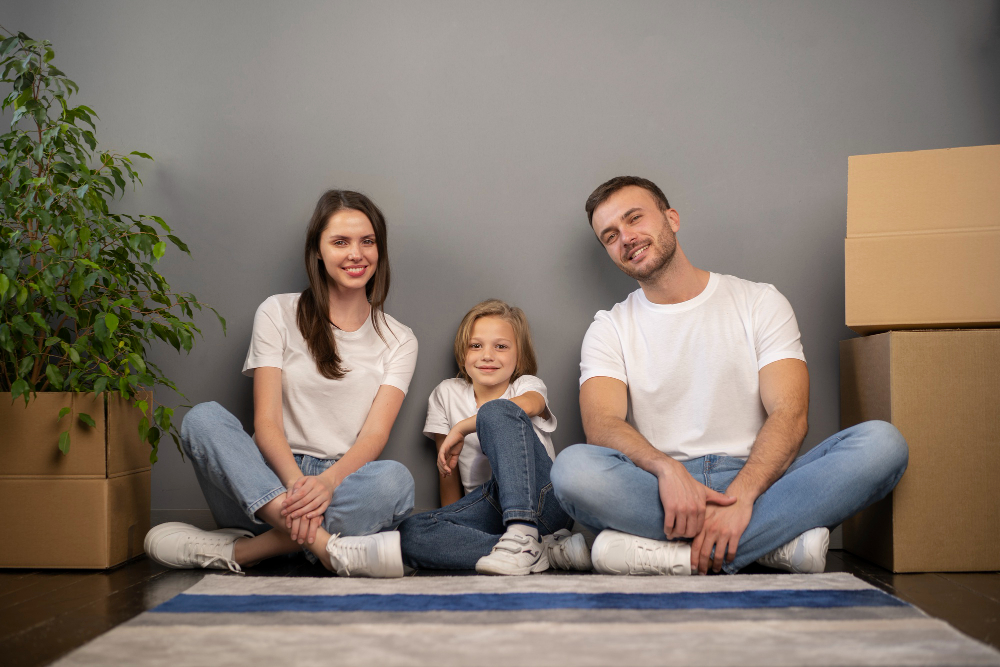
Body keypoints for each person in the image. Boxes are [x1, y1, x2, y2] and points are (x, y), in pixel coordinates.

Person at [550, 176, 908, 576]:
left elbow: (790, 413)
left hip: (763, 480)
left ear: (672, 218)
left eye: (635, 218)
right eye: (611, 235)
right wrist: (667, 470)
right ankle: (769, 546)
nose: (627, 238)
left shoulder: (759, 302)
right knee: (572, 470)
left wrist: (742, 497)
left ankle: (679, 557)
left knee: (882, 443)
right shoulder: (609, 328)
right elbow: (601, 424)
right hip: (662, 491)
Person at [144, 190, 417, 577]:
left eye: (367, 241)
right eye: (340, 242)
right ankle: (324, 547)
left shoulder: (400, 338)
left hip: (339, 486)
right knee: (202, 419)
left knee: (396, 481)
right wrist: (295, 485)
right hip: (264, 480)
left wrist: (325, 483)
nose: (356, 254)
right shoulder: (277, 311)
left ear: (380, 249)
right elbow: (266, 422)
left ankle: (243, 552)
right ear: (318, 251)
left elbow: (374, 436)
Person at [398, 299, 589, 575]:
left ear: (519, 357)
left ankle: (525, 532)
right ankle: (544, 551)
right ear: (462, 353)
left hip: (543, 503)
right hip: (488, 507)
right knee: (410, 533)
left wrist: (463, 426)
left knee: (496, 411)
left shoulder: (527, 385)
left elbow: (530, 404)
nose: (487, 355)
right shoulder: (445, 394)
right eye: (476, 346)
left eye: (500, 346)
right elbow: (447, 470)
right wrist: (454, 526)